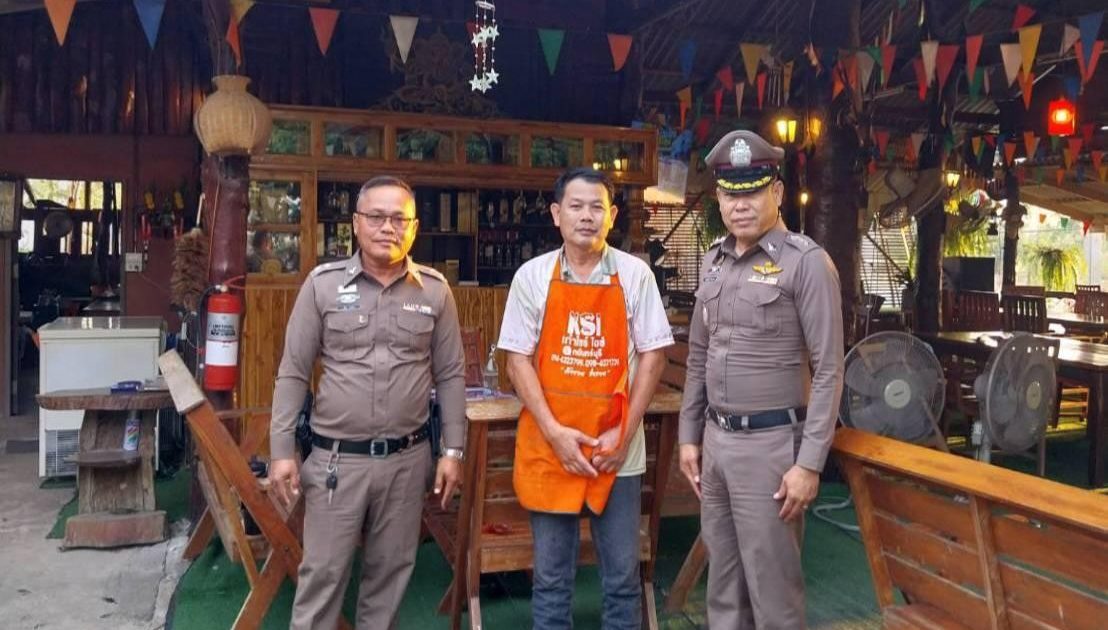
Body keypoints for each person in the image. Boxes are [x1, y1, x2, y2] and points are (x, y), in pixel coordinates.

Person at [268, 175, 466, 629]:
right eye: (376, 217)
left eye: (399, 218)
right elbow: (293, 371)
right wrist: (281, 452)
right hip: (337, 462)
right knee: (322, 578)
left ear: (414, 228)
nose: (387, 227)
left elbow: (451, 375)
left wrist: (453, 451)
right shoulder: (322, 286)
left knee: (389, 581)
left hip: (407, 462)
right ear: (356, 223)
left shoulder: (435, 290)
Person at [677, 130, 845, 629]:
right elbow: (698, 356)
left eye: (752, 192)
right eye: (731, 194)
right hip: (716, 442)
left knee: (774, 595)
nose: (740, 205)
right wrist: (688, 437)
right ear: (718, 198)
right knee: (724, 590)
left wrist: (809, 464)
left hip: (772, 448)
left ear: (777, 192)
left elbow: (829, 368)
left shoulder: (806, 263)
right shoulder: (713, 260)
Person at [498, 167, 673, 629]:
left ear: (612, 216)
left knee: (622, 579)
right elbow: (517, 361)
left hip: (618, 452)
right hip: (550, 448)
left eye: (597, 207)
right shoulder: (532, 276)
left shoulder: (635, 275)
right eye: (576, 206)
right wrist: (555, 434)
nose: (587, 216)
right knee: (551, 580)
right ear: (557, 214)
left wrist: (624, 434)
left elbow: (654, 356)